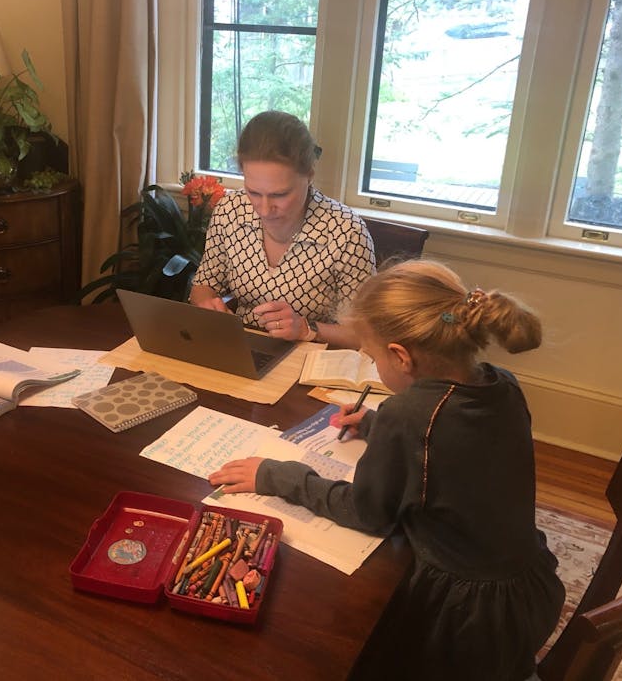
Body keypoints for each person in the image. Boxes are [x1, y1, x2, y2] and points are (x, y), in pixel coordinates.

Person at [208, 259, 565, 681]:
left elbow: (369, 513)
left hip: (460, 620)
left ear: (400, 357)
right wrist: (377, 426)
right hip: (524, 590)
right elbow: (458, 449)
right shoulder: (501, 383)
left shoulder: (410, 415)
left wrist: (276, 475)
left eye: (372, 356)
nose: (373, 364)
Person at [189, 110, 374, 348]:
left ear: (309, 176)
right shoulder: (230, 210)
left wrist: (306, 329)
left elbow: (363, 334)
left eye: (280, 194)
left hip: (311, 362)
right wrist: (209, 306)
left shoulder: (347, 232)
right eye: (254, 192)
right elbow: (204, 285)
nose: (264, 209)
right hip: (242, 348)